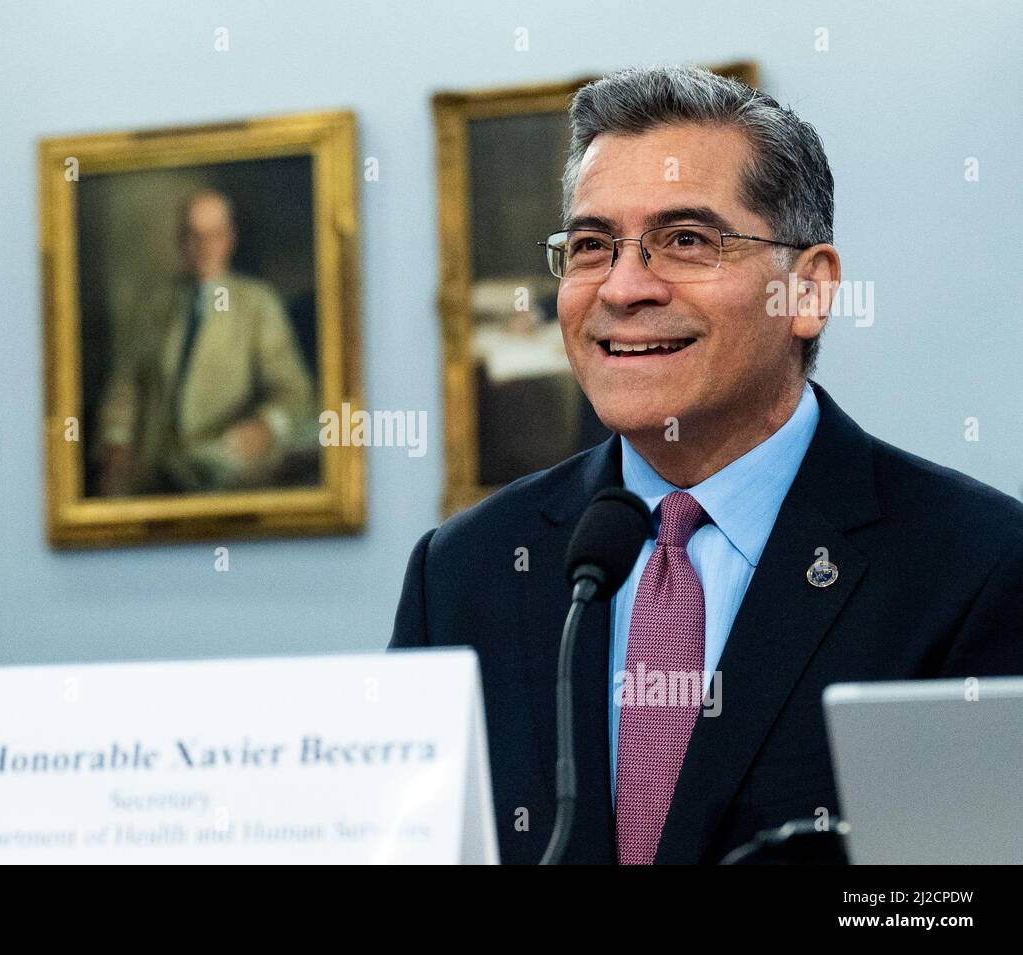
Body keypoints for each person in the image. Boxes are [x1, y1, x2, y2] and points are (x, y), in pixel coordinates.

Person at [389, 64, 1023, 865]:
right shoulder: (464, 571)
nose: (622, 287)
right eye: (591, 247)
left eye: (685, 241)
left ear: (808, 288)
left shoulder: (977, 566)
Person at [96, 189, 315, 495]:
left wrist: (265, 428)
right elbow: (126, 382)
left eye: (213, 235)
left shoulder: (256, 303)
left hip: (223, 473)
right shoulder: (156, 303)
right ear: (181, 241)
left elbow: (293, 389)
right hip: (153, 474)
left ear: (229, 238)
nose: (203, 246)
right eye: (193, 235)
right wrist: (116, 441)